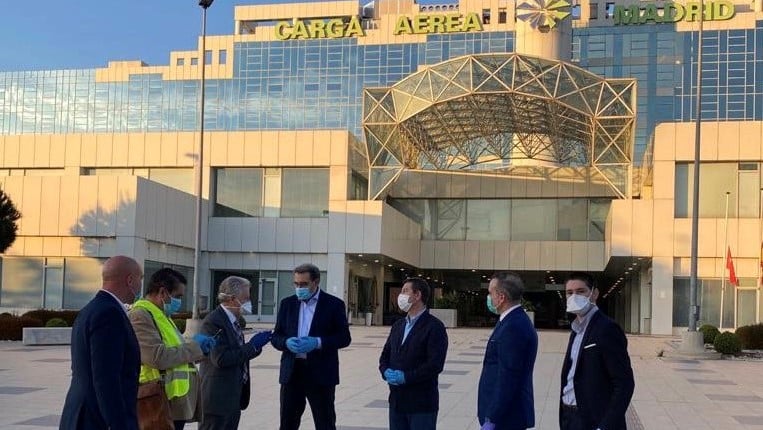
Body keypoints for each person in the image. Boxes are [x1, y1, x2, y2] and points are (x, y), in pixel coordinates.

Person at [60, 255, 144, 430]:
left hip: (84, 414)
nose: (141, 284)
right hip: (96, 420)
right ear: (130, 280)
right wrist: (117, 424)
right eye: (140, 278)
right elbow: (106, 378)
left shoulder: (93, 309)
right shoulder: (109, 314)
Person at [129, 268, 217, 430]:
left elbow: (177, 352)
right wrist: (195, 346)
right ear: (163, 292)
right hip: (156, 399)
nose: (179, 302)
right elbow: (157, 357)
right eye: (177, 297)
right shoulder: (140, 315)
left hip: (171, 401)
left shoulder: (161, 315)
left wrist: (200, 351)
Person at [271, 263, 352, 430]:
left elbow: (344, 338)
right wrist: (286, 342)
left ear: (316, 282)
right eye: (296, 284)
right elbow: (276, 336)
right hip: (292, 372)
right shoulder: (287, 304)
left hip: (321, 373)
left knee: (325, 422)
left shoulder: (333, 304)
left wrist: (317, 342)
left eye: (304, 284)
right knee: (287, 423)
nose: (299, 288)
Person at [559, 272, 635, 430]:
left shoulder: (607, 329)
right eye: (569, 293)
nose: (574, 297)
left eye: (580, 292)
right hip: (569, 417)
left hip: (594, 420)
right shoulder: (576, 329)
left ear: (594, 294)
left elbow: (624, 383)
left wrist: (606, 425)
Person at [198, 276, 272, 430]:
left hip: (233, 398)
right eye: (245, 299)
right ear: (232, 299)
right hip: (217, 399)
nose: (248, 303)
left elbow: (237, 352)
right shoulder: (213, 322)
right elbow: (221, 359)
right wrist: (252, 346)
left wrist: (256, 348)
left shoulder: (232, 320)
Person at [379, 277, 448, 430]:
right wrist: (385, 371)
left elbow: (435, 365)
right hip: (397, 401)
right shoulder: (398, 325)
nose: (400, 295)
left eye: (405, 291)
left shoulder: (434, 327)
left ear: (417, 295)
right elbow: (385, 355)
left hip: (421, 403)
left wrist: (406, 377)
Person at [477, 272, 538, 430]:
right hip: (505, 415)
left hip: (506, 418)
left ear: (501, 297)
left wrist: (492, 417)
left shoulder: (513, 327)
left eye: (490, 293)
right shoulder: (510, 321)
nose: (489, 297)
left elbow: (508, 377)